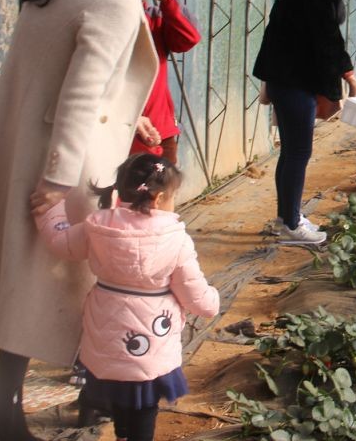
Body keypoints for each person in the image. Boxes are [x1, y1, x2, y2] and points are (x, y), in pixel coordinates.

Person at [0, 0, 187, 441]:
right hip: (66, 165)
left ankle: (2, 412)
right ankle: (86, 406)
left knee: (24, 289)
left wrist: (129, 112)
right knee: (73, 287)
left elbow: (66, 74)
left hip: (25, 146)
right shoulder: (117, 0)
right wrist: (56, 181)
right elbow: (79, 97)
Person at [31, 153, 220, 441]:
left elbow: (61, 243)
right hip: (152, 343)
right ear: (157, 199)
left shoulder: (98, 225)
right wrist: (212, 302)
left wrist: (51, 210)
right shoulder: (175, 238)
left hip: (106, 336)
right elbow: (194, 294)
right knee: (144, 407)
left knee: (119, 397)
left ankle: (121, 435)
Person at [252, 0, 356, 245]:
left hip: (283, 79)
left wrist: (345, 76)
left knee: (290, 152)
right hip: (295, 81)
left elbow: (322, 40)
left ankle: (285, 217)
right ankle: (290, 224)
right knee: (299, 151)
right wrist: (348, 80)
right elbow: (328, 42)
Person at [130, 0, 201, 165]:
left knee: (163, 188)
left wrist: (167, 0)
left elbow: (188, 39)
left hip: (159, 128)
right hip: (123, 127)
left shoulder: (154, 17)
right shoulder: (110, 17)